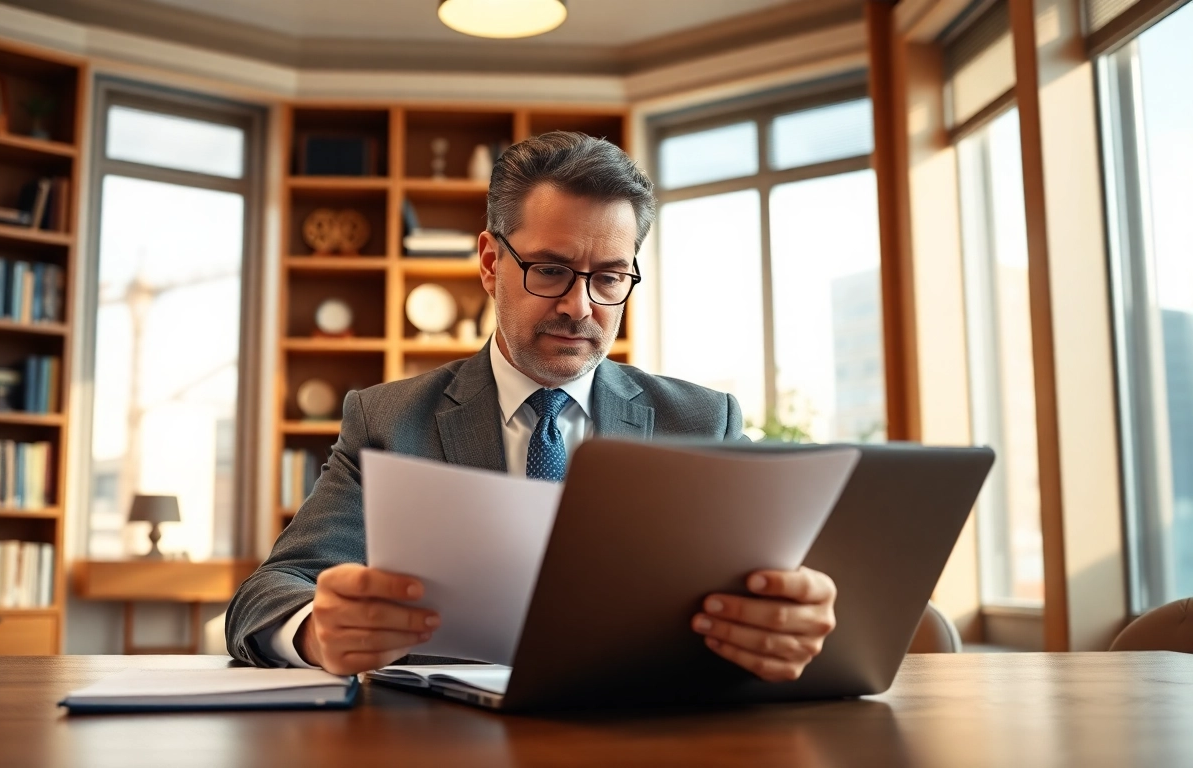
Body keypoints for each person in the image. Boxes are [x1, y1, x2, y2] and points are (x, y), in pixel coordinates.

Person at [226, 131, 837, 681]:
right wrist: (315, 629)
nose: (580, 306)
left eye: (609, 277)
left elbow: (806, 590)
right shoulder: (387, 422)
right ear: (492, 264)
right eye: (551, 270)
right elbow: (267, 594)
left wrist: (797, 617)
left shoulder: (703, 423)